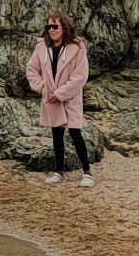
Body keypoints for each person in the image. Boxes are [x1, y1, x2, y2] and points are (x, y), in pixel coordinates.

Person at [26, 10, 92, 186]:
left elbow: (80, 75)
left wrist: (61, 93)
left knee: (75, 132)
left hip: (70, 98)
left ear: (64, 27)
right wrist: (44, 89)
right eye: (48, 26)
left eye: (55, 26)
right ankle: (59, 172)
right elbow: (32, 70)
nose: (51, 29)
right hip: (51, 99)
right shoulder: (41, 48)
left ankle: (87, 173)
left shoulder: (77, 47)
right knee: (56, 134)